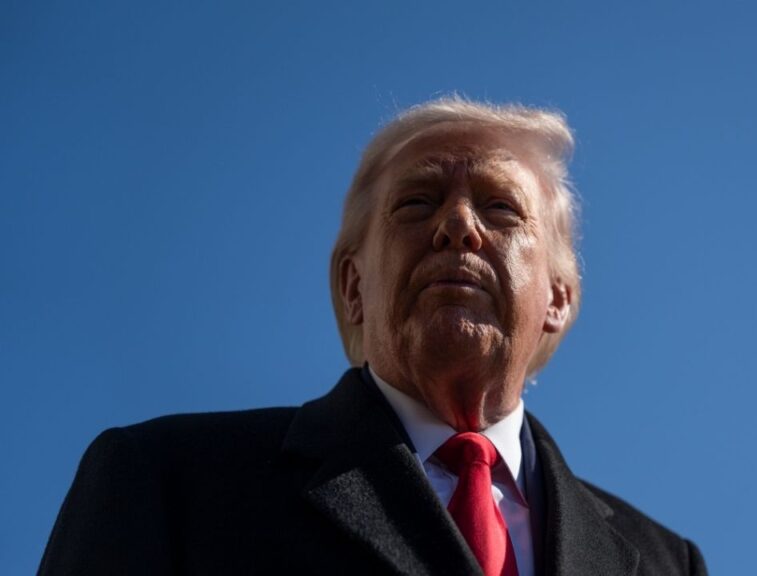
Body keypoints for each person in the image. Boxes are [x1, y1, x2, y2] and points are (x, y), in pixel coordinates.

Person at [40, 97, 707, 576]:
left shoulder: (665, 561)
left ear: (558, 298)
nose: (458, 227)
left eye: (500, 207)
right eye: (417, 203)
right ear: (354, 285)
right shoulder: (169, 483)